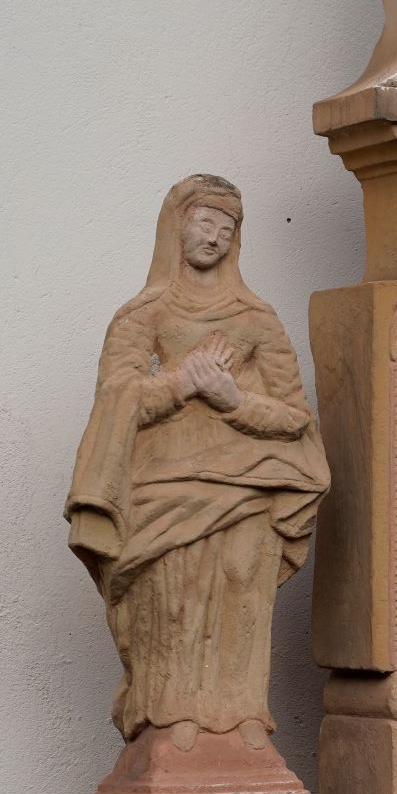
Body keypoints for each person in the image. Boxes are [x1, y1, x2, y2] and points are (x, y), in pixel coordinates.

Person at [65, 175, 329, 752]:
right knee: (172, 594)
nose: (215, 236)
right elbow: (119, 396)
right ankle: (168, 714)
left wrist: (233, 400)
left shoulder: (256, 317)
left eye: (227, 228)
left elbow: (294, 417)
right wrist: (185, 382)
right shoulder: (144, 313)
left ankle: (243, 717)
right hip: (166, 479)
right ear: (176, 228)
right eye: (204, 222)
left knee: (243, 590)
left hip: (249, 481)